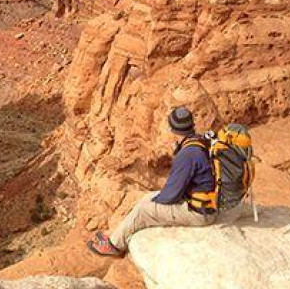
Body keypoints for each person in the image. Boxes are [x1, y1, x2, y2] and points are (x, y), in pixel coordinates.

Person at [87, 106, 218, 257]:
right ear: (191, 126)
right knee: (147, 198)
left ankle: (114, 245)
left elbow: (171, 195)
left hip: (200, 213)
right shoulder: (199, 141)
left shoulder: (188, 154)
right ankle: (116, 236)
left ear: (172, 129)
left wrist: (156, 201)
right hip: (207, 204)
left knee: (144, 209)